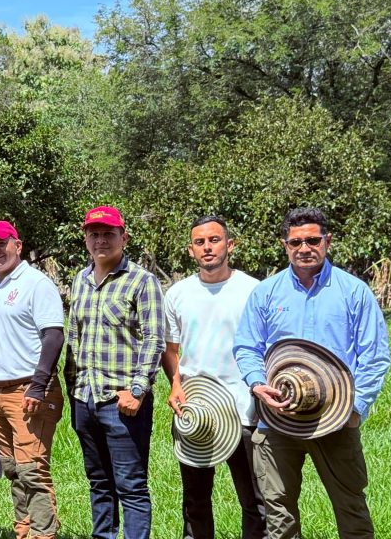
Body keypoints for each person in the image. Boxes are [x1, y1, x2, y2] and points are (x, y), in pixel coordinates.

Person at [234, 207, 391, 539]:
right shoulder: (266, 292)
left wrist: (354, 410)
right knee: (278, 513)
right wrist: (257, 383)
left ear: (327, 241)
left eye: (312, 240)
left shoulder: (353, 291)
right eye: (295, 242)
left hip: (335, 418)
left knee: (351, 509)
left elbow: (374, 357)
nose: (304, 248)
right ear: (285, 245)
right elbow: (247, 346)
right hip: (278, 417)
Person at [161, 216, 266, 539]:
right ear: (191, 250)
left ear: (230, 245)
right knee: (195, 502)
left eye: (214, 240)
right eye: (200, 242)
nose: (207, 247)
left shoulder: (254, 290)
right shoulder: (178, 294)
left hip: (244, 409)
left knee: (255, 503)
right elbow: (171, 349)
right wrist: (176, 384)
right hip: (197, 410)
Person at [65, 205, 165, 539]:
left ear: (124, 237)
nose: (101, 241)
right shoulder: (79, 280)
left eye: (108, 234)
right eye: (94, 234)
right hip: (86, 398)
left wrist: (138, 390)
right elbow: (74, 339)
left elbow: (154, 339)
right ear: (85, 239)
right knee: (99, 483)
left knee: (131, 486)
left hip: (121, 402)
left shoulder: (141, 281)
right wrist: (73, 392)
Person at [0, 220, 65, 539]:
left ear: (18, 245)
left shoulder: (35, 283)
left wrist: (39, 386)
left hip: (29, 391)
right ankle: (23, 530)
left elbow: (54, 335)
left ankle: (43, 534)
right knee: (12, 469)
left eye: (1, 243)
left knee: (32, 471)